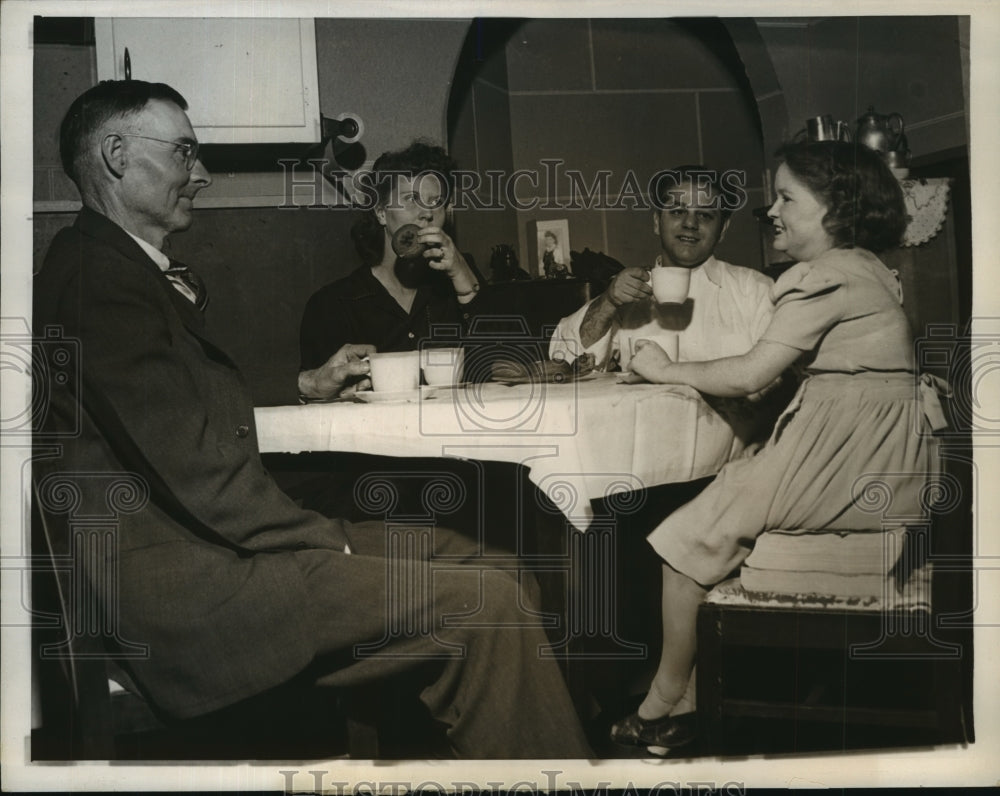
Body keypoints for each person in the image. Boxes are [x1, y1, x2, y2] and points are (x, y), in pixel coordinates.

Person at [33, 80, 592, 759]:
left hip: (223, 547)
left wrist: (301, 383)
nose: (201, 174)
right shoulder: (99, 279)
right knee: (489, 604)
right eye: (184, 152)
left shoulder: (115, 269)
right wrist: (332, 540)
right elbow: (197, 472)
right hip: (193, 593)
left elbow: (180, 413)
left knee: (504, 570)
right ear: (116, 154)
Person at [610, 140, 946, 753]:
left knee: (680, 544)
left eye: (787, 197)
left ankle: (661, 702)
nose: (772, 210)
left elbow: (748, 375)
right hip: (878, 458)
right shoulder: (868, 267)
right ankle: (685, 701)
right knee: (720, 507)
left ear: (834, 208)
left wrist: (662, 369)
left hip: (840, 457)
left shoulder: (819, 277)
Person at [298, 140, 487, 397]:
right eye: (411, 199)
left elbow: (508, 367)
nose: (426, 213)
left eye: (436, 201)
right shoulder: (335, 304)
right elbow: (314, 401)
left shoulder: (462, 283)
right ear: (381, 213)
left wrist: (466, 283)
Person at [549, 165, 775, 375]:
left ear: (723, 229)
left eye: (704, 215)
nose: (690, 224)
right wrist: (608, 302)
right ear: (657, 221)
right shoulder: (628, 293)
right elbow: (565, 361)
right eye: (677, 211)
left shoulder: (755, 290)